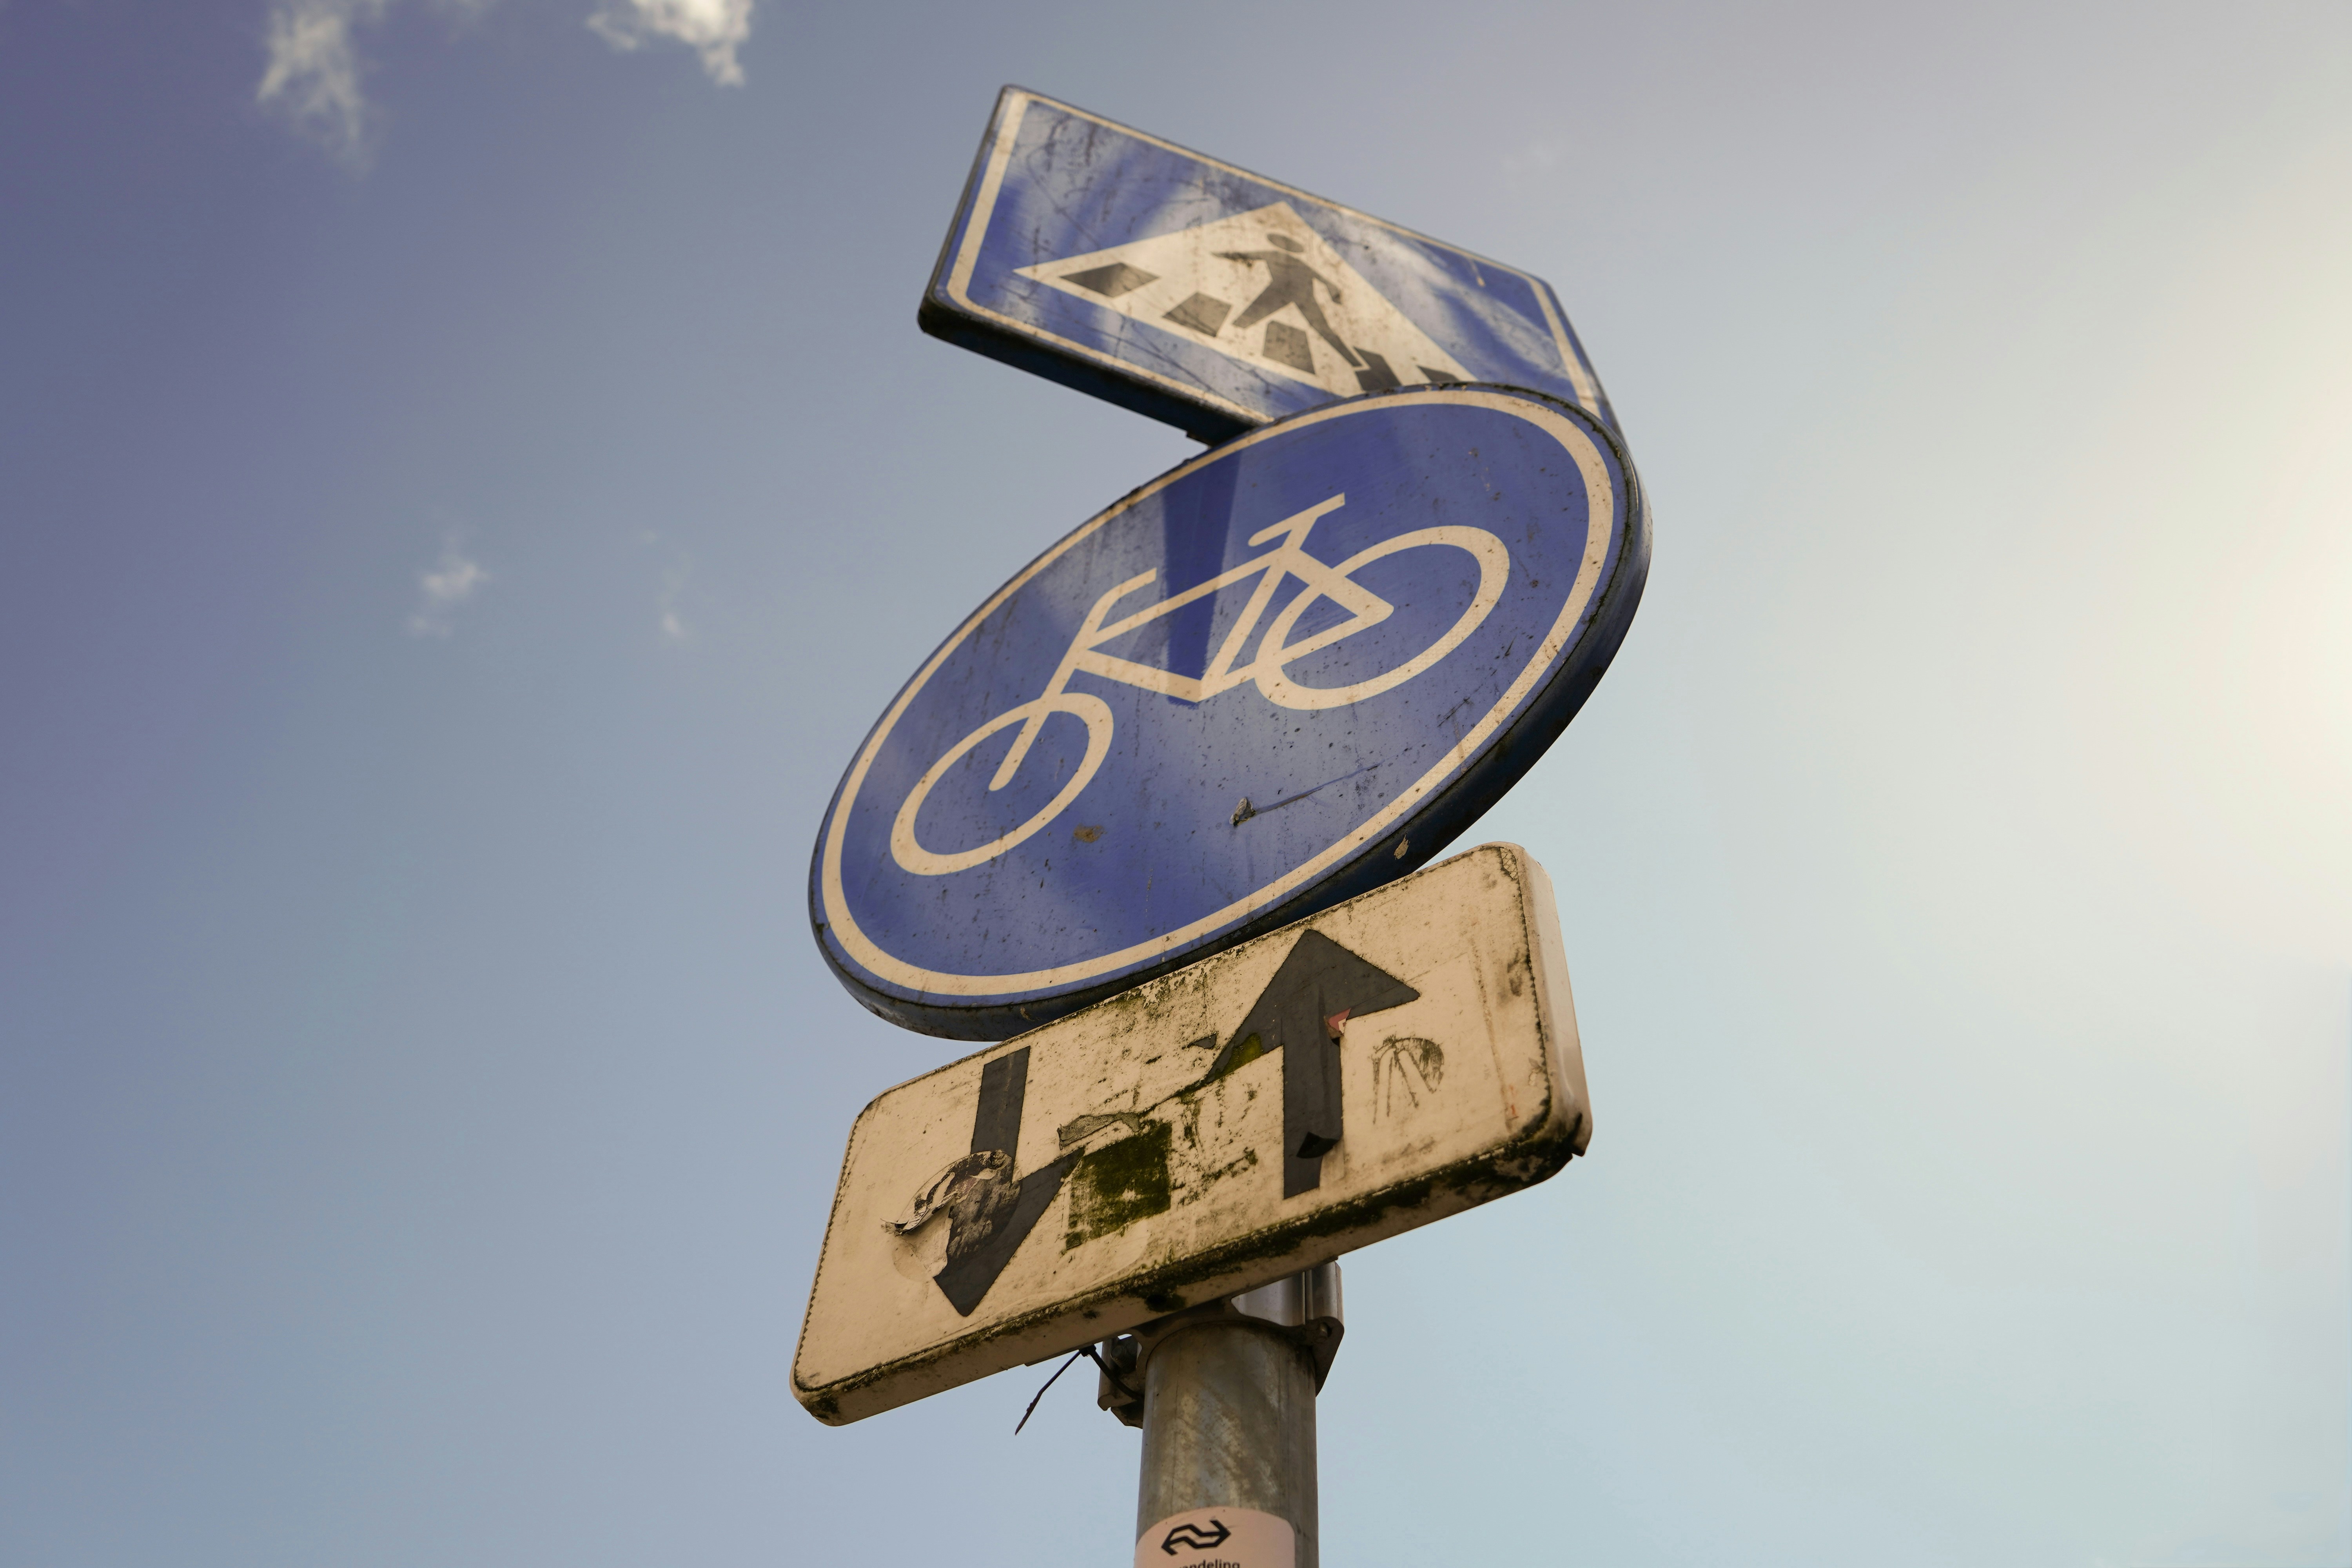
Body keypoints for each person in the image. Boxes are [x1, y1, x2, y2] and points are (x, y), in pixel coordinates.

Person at [1215, 232, 1361, 368]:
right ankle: (1353, 362)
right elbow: (1246, 255)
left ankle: (1353, 362)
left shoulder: (1280, 257)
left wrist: (1335, 297)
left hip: (1288, 293)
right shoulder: (1280, 257)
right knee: (1246, 319)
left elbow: (1328, 282)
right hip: (1289, 293)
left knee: (1246, 319)